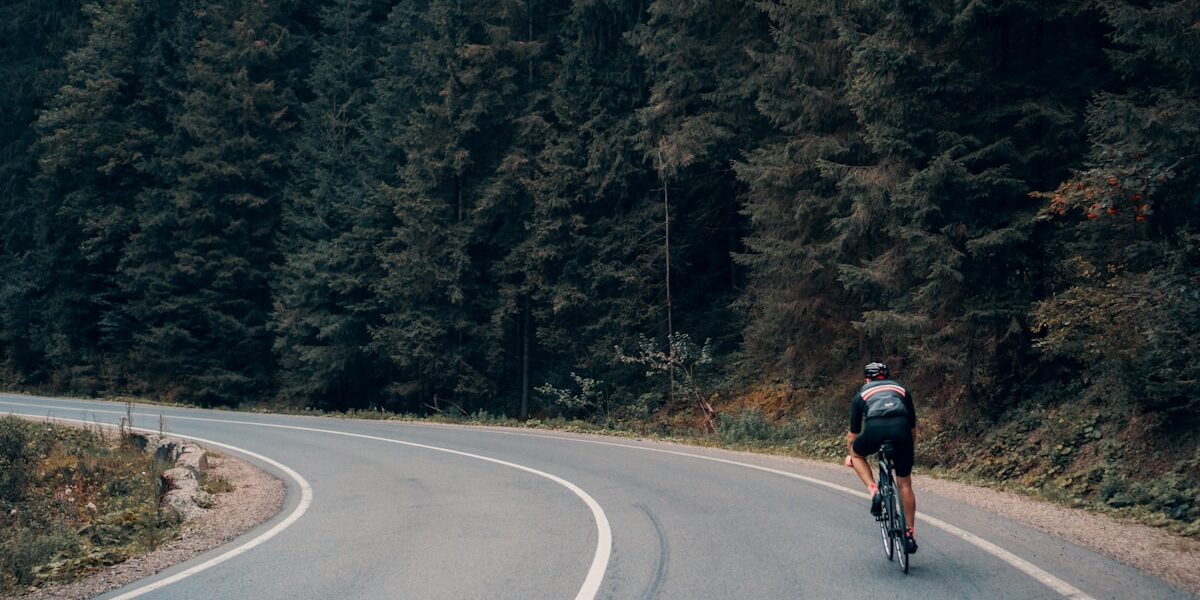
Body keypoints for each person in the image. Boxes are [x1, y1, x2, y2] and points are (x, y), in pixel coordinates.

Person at [843, 362, 918, 553]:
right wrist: (909, 447)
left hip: (874, 429)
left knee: (857, 453)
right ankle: (909, 533)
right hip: (902, 432)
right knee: (905, 484)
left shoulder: (861, 394)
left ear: (867, 379)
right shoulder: (901, 390)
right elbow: (912, 428)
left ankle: (873, 490)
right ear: (887, 376)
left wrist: (850, 454)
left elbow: (853, 434)